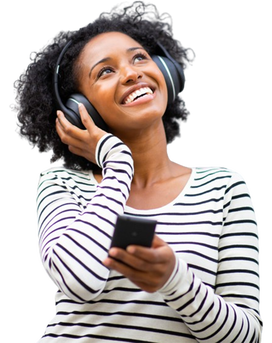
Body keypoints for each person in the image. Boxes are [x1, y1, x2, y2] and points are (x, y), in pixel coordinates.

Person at [12, 4, 264, 342]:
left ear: (167, 74)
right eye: (105, 72)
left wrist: (175, 281)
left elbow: (247, 336)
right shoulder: (60, 183)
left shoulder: (225, 186)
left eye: (140, 58)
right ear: (79, 110)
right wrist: (117, 162)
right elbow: (79, 279)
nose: (132, 74)